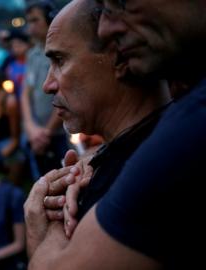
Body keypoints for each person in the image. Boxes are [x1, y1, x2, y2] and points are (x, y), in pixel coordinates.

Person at [25, 0, 206, 268]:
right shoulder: (164, 134)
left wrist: (46, 220)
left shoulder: (175, 150)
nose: (47, 85)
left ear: (119, 57)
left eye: (60, 60)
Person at [21, 1, 69, 181]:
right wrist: (30, 127)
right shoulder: (32, 54)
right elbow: (26, 92)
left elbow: (66, 92)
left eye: (35, 20)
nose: (31, 27)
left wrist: (47, 132)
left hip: (58, 133)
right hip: (36, 133)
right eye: (29, 21)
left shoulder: (61, 50)